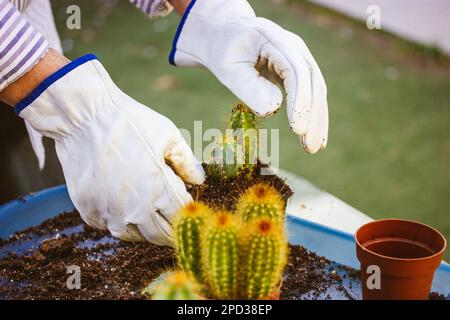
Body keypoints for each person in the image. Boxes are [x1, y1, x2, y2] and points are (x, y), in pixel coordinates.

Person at [0, 0, 328, 246]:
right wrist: (76, 110)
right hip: (22, 78)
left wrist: (213, 14)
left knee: (46, 213)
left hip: (30, 69)